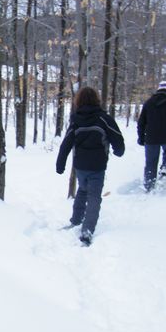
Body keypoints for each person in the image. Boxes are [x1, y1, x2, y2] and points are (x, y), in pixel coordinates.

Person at [56, 86, 125, 246]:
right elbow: (117, 137)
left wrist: (60, 164)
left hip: (80, 166)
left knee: (82, 190)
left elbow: (66, 142)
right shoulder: (104, 119)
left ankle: (76, 220)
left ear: (79, 100)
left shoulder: (76, 120)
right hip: (98, 165)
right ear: (96, 100)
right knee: (94, 196)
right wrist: (119, 150)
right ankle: (86, 231)